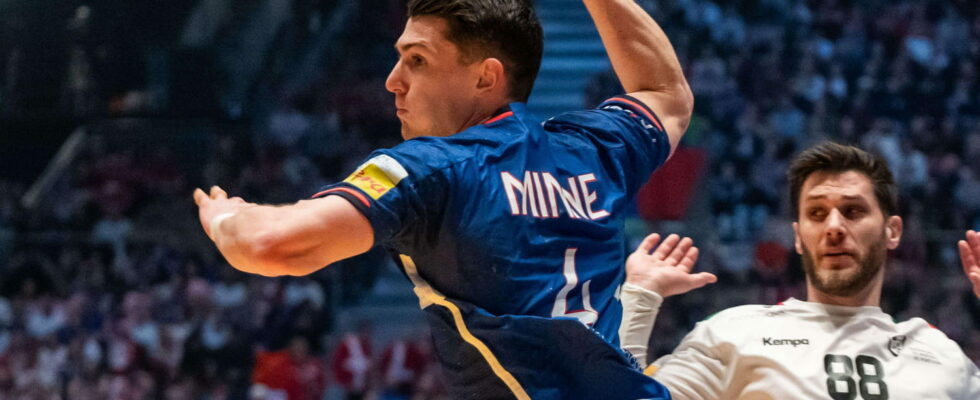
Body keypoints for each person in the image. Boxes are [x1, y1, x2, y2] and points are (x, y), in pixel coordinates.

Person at [194, 0, 692, 398]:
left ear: (485, 77)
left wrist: (225, 219)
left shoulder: (433, 166)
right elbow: (665, 92)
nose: (393, 80)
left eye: (417, 60)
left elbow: (270, 247)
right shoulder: (591, 151)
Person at [619, 142, 980, 399]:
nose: (834, 227)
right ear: (798, 236)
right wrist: (638, 299)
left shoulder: (941, 354)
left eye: (853, 211)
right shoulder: (732, 334)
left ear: (892, 231)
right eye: (817, 213)